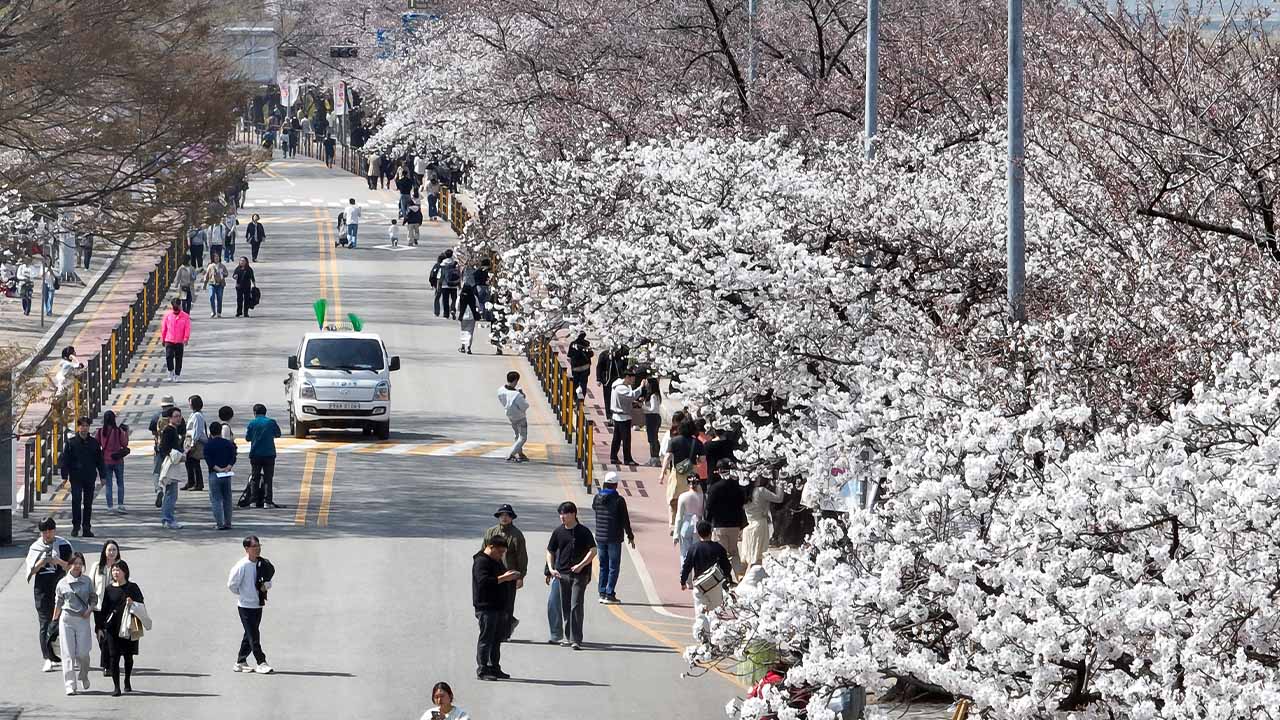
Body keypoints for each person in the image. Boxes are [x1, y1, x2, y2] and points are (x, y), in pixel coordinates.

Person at [545, 501, 596, 649]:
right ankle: (568, 637)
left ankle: (576, 639)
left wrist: (581, 565)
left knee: (576, 605)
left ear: (573, 514)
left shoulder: (583, 531)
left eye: (565, 513)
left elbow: (593, 550)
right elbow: (550, 551)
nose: (562, 517)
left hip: (579, 575)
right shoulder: (558, 532)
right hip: (562, 574)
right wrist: (550, 568)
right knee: (565, 606)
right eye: (560, 514)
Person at [26, 517, 74, 672]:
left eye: (50, 530)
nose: (47, 534)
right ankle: (47, 657)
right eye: (44, 531)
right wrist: (41, 563)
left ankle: (68, 655)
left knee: (64, 622)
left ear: (55, 530)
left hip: (61, 587)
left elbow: (74, 568)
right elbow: (30, 572)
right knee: (45, 622)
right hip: (43, 589)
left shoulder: (64, 544)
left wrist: (58, 561)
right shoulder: (35, 547)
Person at [473, 535, 520, 680]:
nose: (501, 555)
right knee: (486, 639)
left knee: (496, 640)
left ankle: (494, 667)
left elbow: (502, 576)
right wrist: (505, 578)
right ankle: (483, 669)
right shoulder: (481, 562)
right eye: (499, 552)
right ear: (491, 547)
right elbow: (484, 582)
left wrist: (511, 577)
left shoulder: (496, 561)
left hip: (498, 606)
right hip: (486, 606)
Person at [680, 521, 734, 640]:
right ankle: (717, 638)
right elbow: (726, 566)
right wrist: (727, 579)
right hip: (715, 584)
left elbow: (687, 566)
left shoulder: (694, 548)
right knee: (715, 613)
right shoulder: (718, 548)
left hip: (699, 585)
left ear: (698, 533)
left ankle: (703, 637)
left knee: (701, 613)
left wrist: (683, 581)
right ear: (711, 532)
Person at [481, 504, 528, 640]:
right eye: (502, 515)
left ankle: (504, 633)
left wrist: (520, 576)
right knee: (490, 603)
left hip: (509, 576)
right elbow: (483, 551)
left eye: (507, 515)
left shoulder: (517, 535)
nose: (504, 517)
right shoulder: (491, 532)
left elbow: (522, 557)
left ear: (512, 517)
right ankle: (504, 625)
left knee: (507, 604)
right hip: (493, 575)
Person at [228, 535, 274, 674]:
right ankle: (261, 662)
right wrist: (244, 594)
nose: (258, 549)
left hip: (258, 604)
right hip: (245, 606)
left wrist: (266, 585)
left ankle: (240, 661)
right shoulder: (241, 566)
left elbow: (268, 579)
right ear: (246, 548)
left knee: (249, 634)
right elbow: (232, 585)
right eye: (254, 546)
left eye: (259, 546)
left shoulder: (262, 563)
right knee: (254, 635)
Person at [53, 552, 96, 695]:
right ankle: (70, 685)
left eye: (80, 563)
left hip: (83, 619)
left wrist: (89, 610)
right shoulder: (62, 583)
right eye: (75, 563)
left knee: (83, 653)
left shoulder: (87, 581)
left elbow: (93, 598)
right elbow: (58, 603)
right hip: (66, 619)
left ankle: (83, 675)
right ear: (70, 564)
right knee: (68, 654)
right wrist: (54, 620)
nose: (77, 566)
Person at [101, 560, 145, 695]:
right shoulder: (108, 589)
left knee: (128, 656)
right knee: (114, 656)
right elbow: (104, 609)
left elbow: (141, 604)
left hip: (129, 626)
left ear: (125, 571)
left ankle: (127, 680)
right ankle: (116, 687)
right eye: (114, 570)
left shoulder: (132, 587)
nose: (116, 572)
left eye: (118, 570)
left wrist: (133, 603)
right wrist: (101, 627)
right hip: (113, 628)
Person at [591, 472, 635, 604]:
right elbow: (625, 520)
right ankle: (610, 593)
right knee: (613, 566)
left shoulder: (597, 498)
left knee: (603, 565)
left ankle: (602, 592)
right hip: (614, 538)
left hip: (600, 537)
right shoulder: (619, 500)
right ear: (616, 485)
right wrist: (630, 536)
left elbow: (594, 508)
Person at [60, 416, 106, 538]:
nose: (84, 428)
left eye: (86, 426)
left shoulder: (94, 443)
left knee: (88, 503)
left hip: (89, 477)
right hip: (76, 477)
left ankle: (86, 528)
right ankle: (76, 527)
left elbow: (100, 461)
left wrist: (103, 476)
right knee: (76, 501)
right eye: (82, 425)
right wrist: (64, 476)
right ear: (78, 427)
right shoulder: (71, 443)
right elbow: (65, 461)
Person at [705, 458, 748, 576]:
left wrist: (707, 524)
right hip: (735, 525)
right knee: (734, 552)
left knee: (721, 554)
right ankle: (739, 575)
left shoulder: (714, 488)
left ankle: (724, 578)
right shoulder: (738, 487)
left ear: (719, 471)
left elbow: (709, 507)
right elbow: (742, 504)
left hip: (720, 525)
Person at [662, 419, 702, 528]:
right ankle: (688, 523)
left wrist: (662, 473)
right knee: (691, 499)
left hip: (677, 474)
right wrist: (696, 461)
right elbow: (702, 459)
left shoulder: (674, 441)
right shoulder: (697, 442)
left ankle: (672, 524)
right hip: (691, 474)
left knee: (673, 499)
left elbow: (668, 457)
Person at [90, 540, 122, 674]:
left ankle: (107, 665)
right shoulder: (97, 566)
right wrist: (90, 605)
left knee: (112, 635)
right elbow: (90, 585)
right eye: (109, 550)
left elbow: (124, 583)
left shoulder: (120, 567)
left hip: (114, 607)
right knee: (101, 635)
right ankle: (107, 662)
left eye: (114, 550)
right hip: (99, 607)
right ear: (104, 552)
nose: (111, 552)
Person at [148, 395, 185, 508]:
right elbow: (183, 433)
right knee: (170, 473)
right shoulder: (178, 417)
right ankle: (170, 496)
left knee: (157, 472)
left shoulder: (156, 416)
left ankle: (159, 490)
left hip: (159, 449)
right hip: (174, 452)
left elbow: (153, 431)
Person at [243, 403, 282, 509]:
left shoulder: (252, 423)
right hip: (269, 453)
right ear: (265, 412)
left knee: (255, 477)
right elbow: (278, 434)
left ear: (255, 413)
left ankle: (253, 501)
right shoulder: (271, 422)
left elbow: (248, 438)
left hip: (255, 453)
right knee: (268, 478)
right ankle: (267, 501)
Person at [741, 478, 783, 569]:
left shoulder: (744, 491)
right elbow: (779, 498)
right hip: (760, 526)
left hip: (749, 527)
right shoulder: (760, 491)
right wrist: (780, 483)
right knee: (757, 560)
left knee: (750, 560)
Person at [205, 421, 238, 530]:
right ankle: (228, 522)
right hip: (226, 473)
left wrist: (218, 468)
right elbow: (233, 457)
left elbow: (208, 460)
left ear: (211, 432)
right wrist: (228, 467)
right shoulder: (227, 443)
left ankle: (219, 523)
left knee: (216, 499)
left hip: (215, 473)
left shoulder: (208, 445)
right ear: (220, 431)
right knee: (227, 498)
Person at [157, 407, 186, 529]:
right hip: (171, 464)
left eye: (179, 416)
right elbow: (164, 448)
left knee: (172, 493)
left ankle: (167, 518)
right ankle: (168, 518)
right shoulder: (169, 430)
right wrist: (176, 455)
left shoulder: (174, 430)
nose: (178, 418)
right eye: (176, 416)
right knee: (171, 494)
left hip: (173, 463)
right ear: (170, 418)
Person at [609, 371, 641, 466]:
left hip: (620, 415)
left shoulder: (619, 384)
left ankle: (614, 457)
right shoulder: (620, 388)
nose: (633, 382)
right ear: (627, 377)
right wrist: (641, 387)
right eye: (632, 379)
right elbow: (631, 395)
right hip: (622, 417)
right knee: (626, 439)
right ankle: (627, 459)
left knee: (617, 438)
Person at [497, 371, 530, 463]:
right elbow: (525, 406)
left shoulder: (500, 390)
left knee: (517, 435)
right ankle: (511, 454)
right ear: (515, 380)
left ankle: (520, 454)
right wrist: (523, 396)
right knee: (523, 437)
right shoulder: (517, 395)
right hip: (520, 417)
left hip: (510, 416)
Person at [674, 477, 706, 566]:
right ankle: (697, 575)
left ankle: (685, 576)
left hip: (686, 524)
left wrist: (676, 534)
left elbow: (679, 516)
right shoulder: (703, 496)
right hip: (698, 525)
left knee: (684, 553)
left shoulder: (683, 496)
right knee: (697, 554)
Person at [596, 345, 628, 425]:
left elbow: (624, 367)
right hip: (608, 381)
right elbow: (599, 367)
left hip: (618, 381)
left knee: (618, 399)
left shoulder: (621, 356)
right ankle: (610, 417)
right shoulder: (604, 355)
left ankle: (617, 416)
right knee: (608, 399)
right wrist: (599, 379)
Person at [160, 298, 191, 382]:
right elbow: (164, 328)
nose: (176, 308)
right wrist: (163, 338)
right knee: (169, 356)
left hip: (179, 341)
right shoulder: (168, 315)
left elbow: (187, 328)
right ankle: (171, 371)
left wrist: (186, 338)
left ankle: (177, 374)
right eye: (175, 306)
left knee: (178, 358)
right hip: (169, 339)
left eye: (178, 306)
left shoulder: (185, 316)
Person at [182, 394, 208, 491]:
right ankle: (191, 481)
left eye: (190, 403)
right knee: (188, 462)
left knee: (194, 462)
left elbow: (197, 430)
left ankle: (198, 483)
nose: (189, 405)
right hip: (189, 440)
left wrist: (193, 443)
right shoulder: (193, 414)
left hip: (194, 441)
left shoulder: (197, 416)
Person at [567, 333, 594, 400]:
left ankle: (574, 398)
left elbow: (569, 355)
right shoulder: (587, 343)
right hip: (585, 367)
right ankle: (582, 400)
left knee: (575, 383)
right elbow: (591, 354)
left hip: (575, 367)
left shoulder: (573, 344)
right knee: (583, 384)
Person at [203, 251, 228, 318]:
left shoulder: (222, 266)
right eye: (215, 257)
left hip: (220, 284)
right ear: (213, 258)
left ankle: (219, 312)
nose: (216, 258)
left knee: (219, 298)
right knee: (211, 297)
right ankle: (213, 311)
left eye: (217, 257)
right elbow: (207, 275)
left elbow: (226, 273)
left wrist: (223, 274)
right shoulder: (210, 266)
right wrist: (205, 284)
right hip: (212, 283)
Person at [438, 250, 460, 318]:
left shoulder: (442, 264)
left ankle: (446, 314)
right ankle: (453, 309)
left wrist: (439, 284)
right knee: (454, 299)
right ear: (452, 255)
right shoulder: (454, 263)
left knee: (445, 300)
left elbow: (440, 276)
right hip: (454, 285)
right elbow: (458, 274)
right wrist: (459, 283)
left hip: (445, 285)